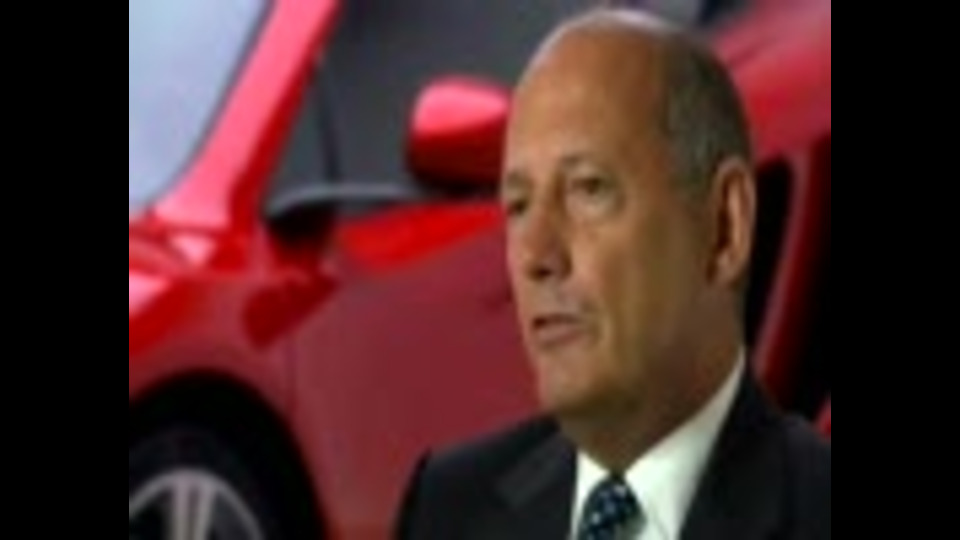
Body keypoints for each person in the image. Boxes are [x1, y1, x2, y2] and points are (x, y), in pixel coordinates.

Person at [394, 7, 830, 540]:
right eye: (518, 205)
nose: (536, 256)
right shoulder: (448, 507)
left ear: (724, 226)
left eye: (589, 189)